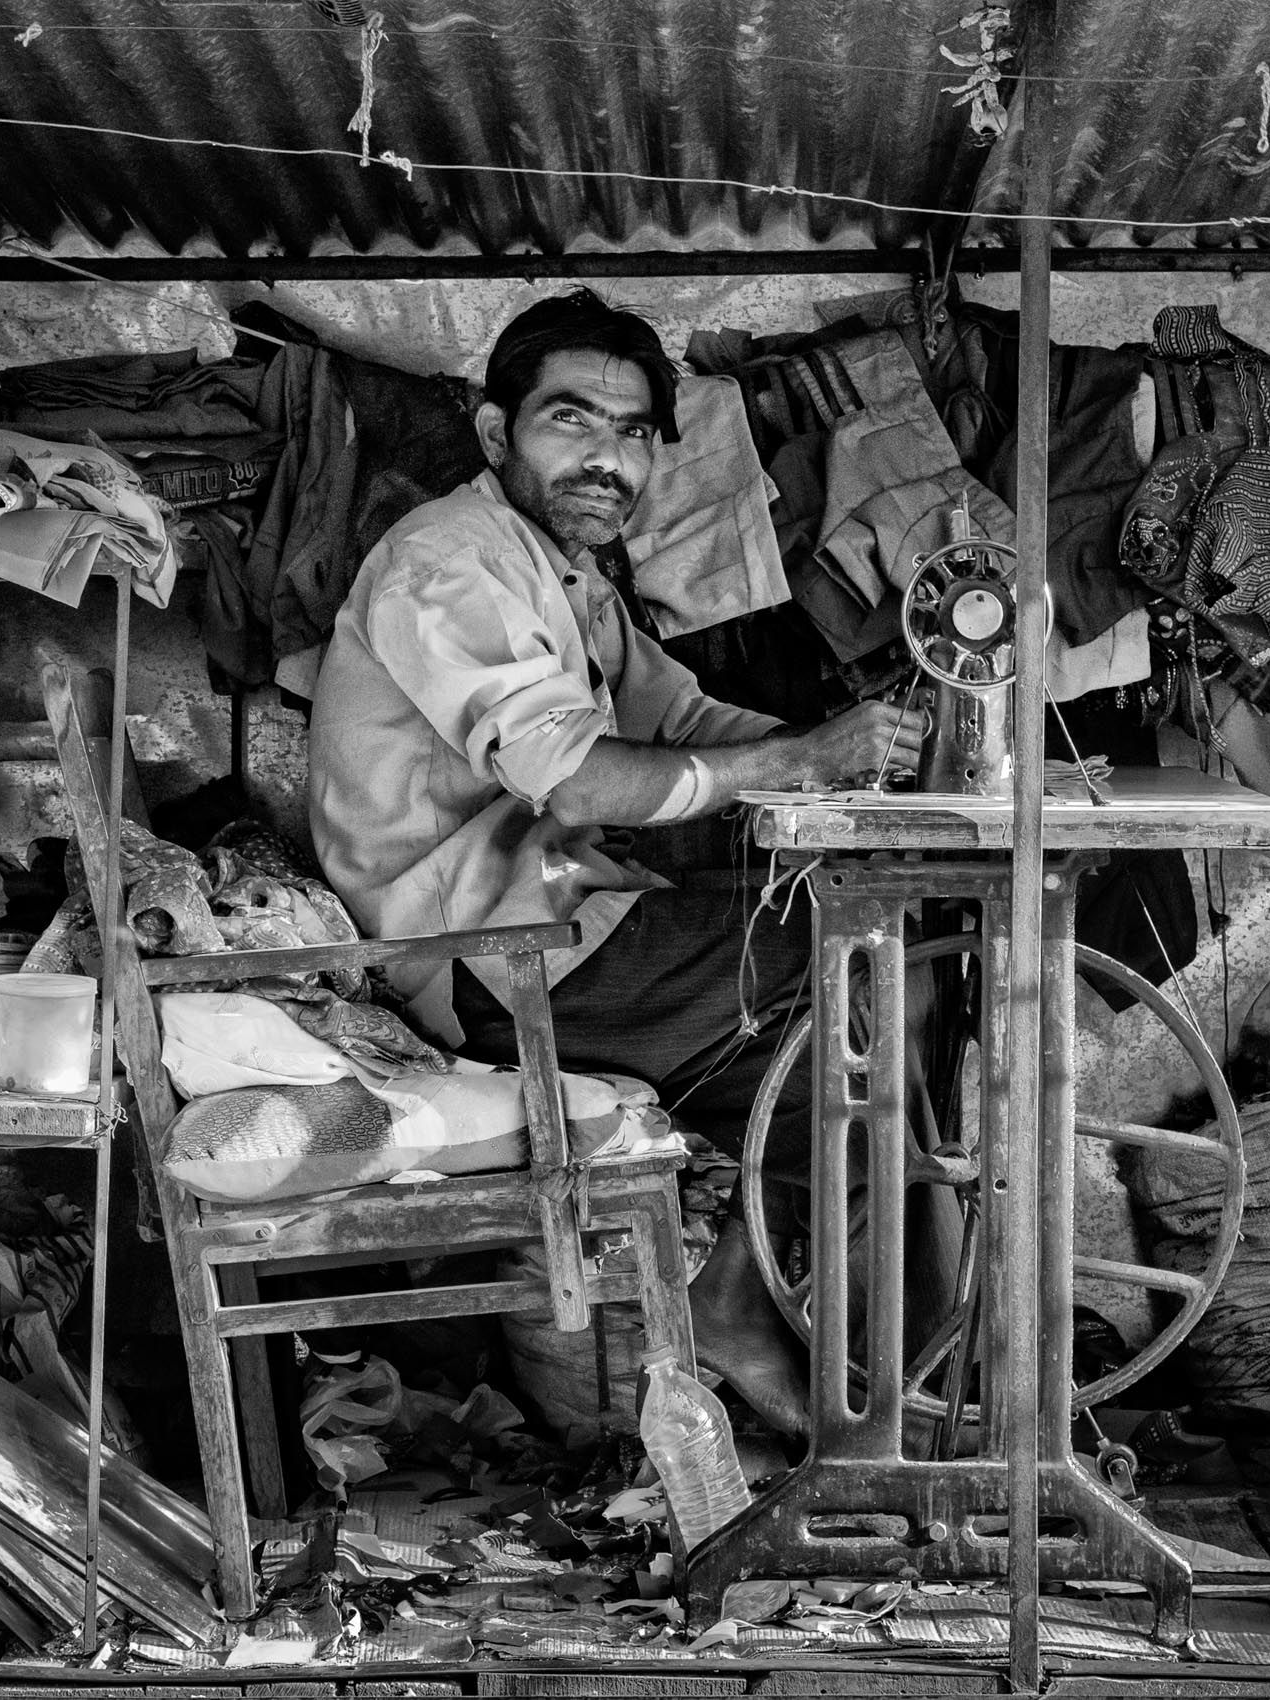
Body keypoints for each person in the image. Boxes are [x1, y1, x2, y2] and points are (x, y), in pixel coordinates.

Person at [308, 290, 924, 1439]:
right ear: (497, 431)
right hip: (483, 957)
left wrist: (867, 761)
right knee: (872, 965)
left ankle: (787, 1307)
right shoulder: (451, 564)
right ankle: (780, 1317)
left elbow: (676, 717)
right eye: (572, 420)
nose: (609, 457)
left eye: (634, 432)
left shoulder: (566, 572)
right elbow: (580, 781)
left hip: (557, 921)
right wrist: (803, 759)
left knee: (870, 988)